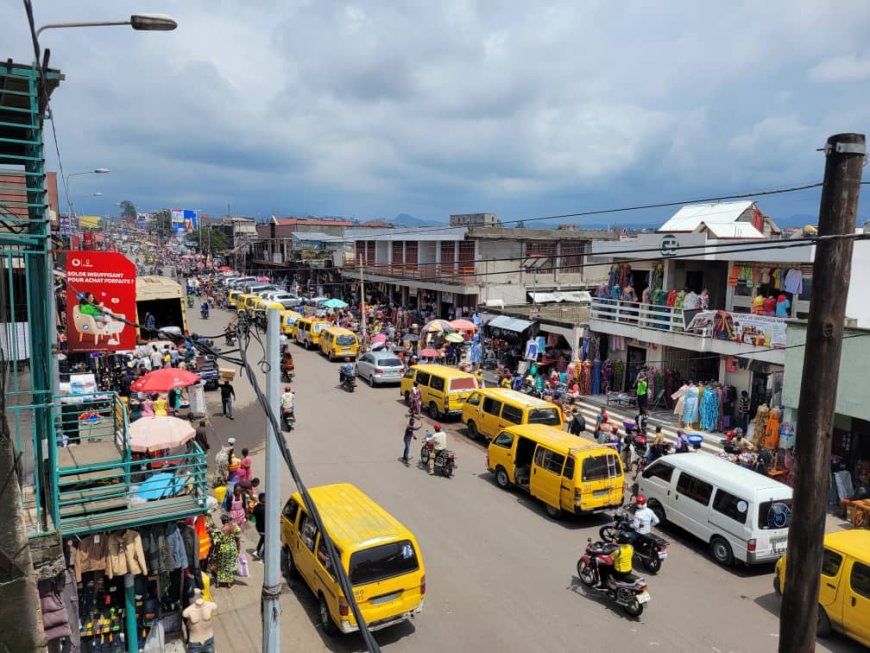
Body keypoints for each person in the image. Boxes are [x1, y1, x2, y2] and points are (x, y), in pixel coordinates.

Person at [214, 514, 240, 587]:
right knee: (230, 565)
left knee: (221, 565)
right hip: (232, 548)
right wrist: (238, 549)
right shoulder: (235, 527)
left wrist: (216, 552)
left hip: (223, 549)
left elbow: (217, 543)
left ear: (223, 521)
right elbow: (238, 540)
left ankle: (218, 583)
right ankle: (228, 583)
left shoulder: (219, 530)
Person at [252, 493, 266, 560]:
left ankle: (258, 551)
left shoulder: (256, 507)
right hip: (264, 528)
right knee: (265, 540)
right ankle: (261, 554)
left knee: (263, 539)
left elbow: (253, 516)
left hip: (258, 527)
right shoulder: (265, 509)